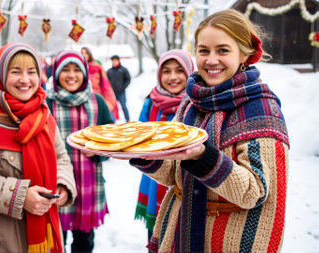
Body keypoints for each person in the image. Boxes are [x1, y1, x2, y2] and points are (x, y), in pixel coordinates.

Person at [128, 9, 289, 252]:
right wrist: (142, 150)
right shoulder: (192, 102)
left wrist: (203, 157)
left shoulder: (261, 110)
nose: (211, 60)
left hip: (229, 242)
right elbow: (174, 174)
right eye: (204, 51)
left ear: (244, 55)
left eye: (223, 50)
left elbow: (254, 191)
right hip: (180, 234)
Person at [0, 42, 77, 252]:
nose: (25, 80)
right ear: (0, 74)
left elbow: (61, 157)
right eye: (15, 71)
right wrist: (20, 197)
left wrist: (63, 185)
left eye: (31, 72)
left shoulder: (43, 114)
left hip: (44, 230)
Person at [46, 49, 114, 253]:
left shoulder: (97, 102)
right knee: (56, 240)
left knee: (84, 241)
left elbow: (113, 138)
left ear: (85, 72)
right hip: (55, 184)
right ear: (56, 73)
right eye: (65, 69)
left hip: (88, 185)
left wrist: (99, 151)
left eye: (77, 69)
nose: (71, 75)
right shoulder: (47, 103)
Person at [133, 49, 194, 246]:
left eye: (179, 71)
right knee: (157, 234)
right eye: (166, 71)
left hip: (187, 182)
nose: (173, 77)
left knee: (182, 235)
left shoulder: (196, 104)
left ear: (190, 73)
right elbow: (139, 136)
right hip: (154, 178)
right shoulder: (152, 103)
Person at [81, 46, 119, 120]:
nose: (84, 55)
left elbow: (105, 82)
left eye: (86, 53)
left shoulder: (97, 66)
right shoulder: (79, 67)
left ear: (89, 54)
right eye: (82, 53)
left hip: (98, 94)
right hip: (84, 96)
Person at [107, 55, 131, 122]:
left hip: (121, 92)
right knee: (112, 108)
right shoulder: (109, 71)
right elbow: (106, 81)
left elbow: (128, 79)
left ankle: (127, 120)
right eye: (113, 61)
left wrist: (123, 87)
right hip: (112, 93)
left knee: (124, 106)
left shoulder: (123, 70)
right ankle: (112, 121)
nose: (114, 62)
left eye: (115, 60)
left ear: (118, 61)